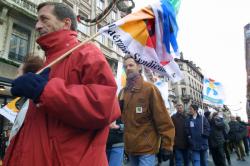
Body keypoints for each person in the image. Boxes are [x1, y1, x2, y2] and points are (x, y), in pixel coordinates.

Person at [4, 2, 120, 166]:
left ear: (66, 23)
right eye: (37, 20)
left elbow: (105, 106)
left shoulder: (86, 52)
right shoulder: (49, 61)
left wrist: (44, 90)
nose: (37, 25)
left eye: (44, 19)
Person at [121, 55, 175, 166]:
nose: (128, 68)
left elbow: (163, 119)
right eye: (125, 66)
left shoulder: (149, 89)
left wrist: (167, 145)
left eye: (131, 65)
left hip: (147, 148)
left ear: (139, 67)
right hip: (131, 148)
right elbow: (123, 121)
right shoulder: (123, 93)